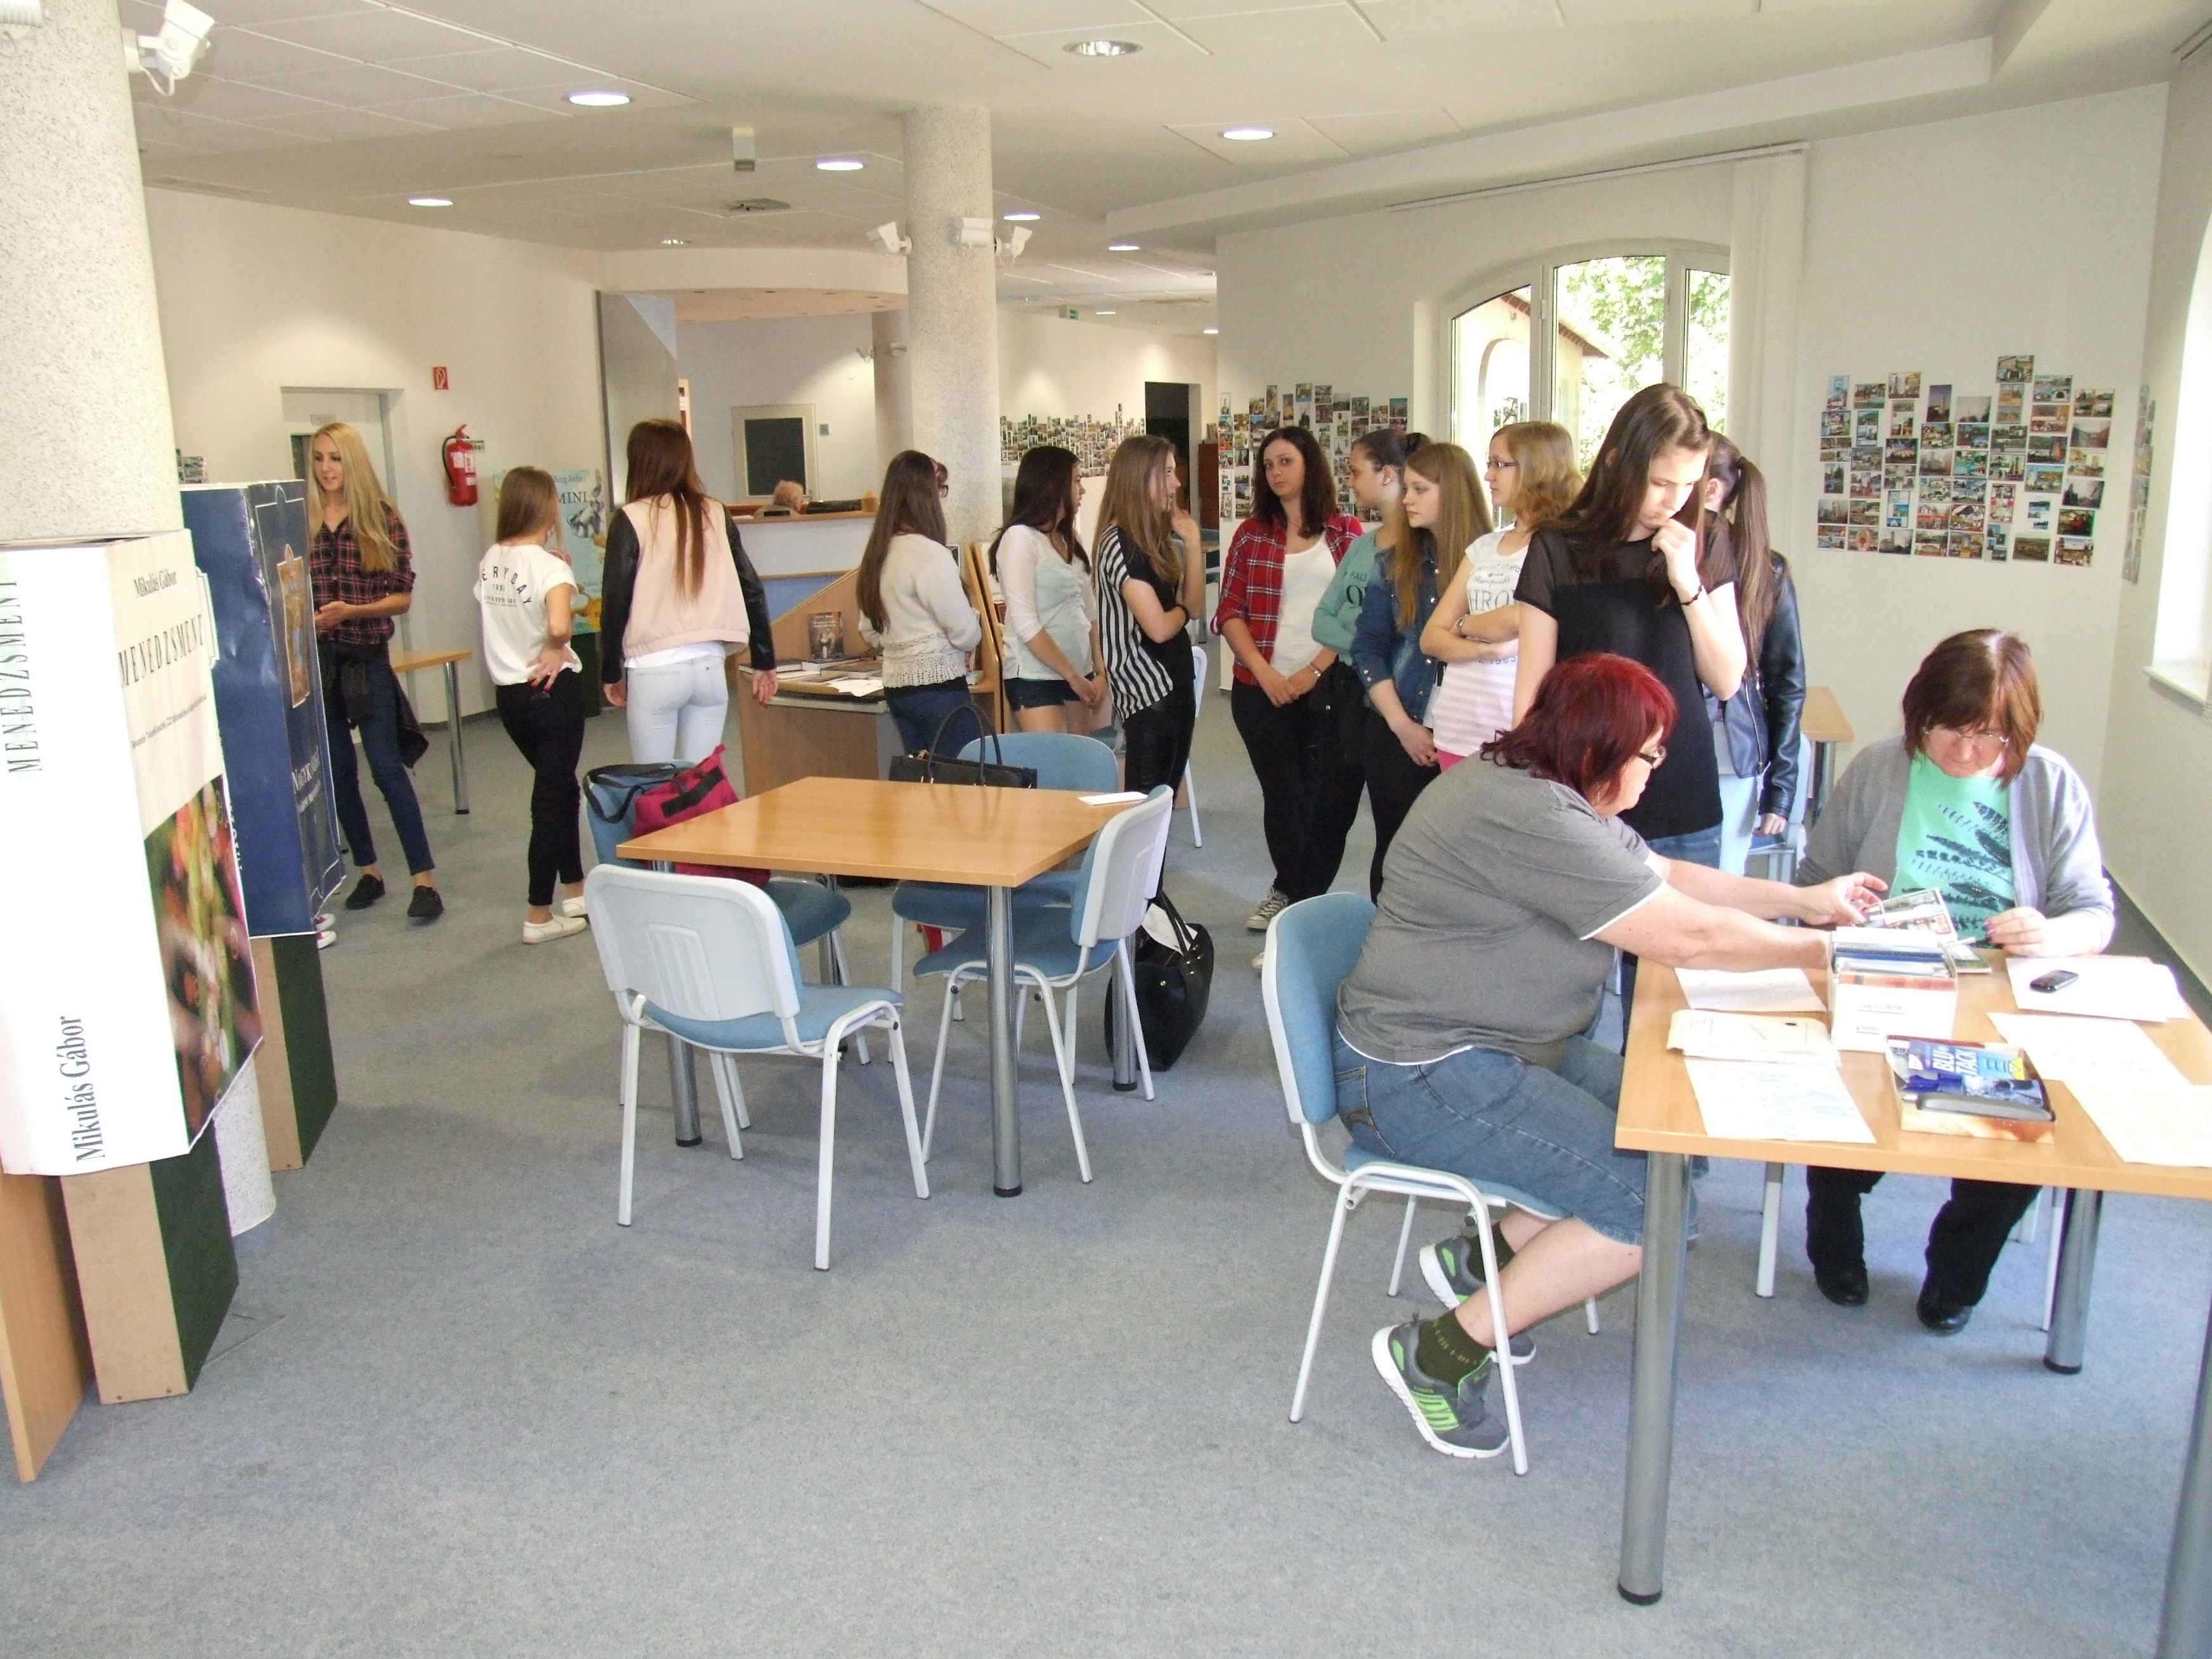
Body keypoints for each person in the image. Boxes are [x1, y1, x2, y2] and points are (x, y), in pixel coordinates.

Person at [1333, 653, 1880, 1457]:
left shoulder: (1545, 790)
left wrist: (1804, 905)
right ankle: (1438, 1354)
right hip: (1416, 1074)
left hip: (1494, 1047)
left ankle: (1484, 1258)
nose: (1654, 772)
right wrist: (1823, 955)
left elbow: (1668, 877)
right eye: (1647, 755)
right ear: (1597, 747)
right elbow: (1688, 937)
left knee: (1676, 1137)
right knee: (1648, 1209)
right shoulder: (1527, 814)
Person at [1797, 629, 2112, 1334]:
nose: (1964, 752)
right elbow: (1813, 883)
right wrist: (1840, 908)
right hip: (1887, 981)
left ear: (2017, 732)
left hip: (1998, 994)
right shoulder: (1880, 770)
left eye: (1988, 737)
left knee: (2023, 1127)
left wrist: (2051, 934)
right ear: (1918, 716)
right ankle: (1834, 1235)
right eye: (1947, 731)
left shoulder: (2049, 784)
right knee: (1844, 1103)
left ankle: (1955, 1273)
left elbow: (2093, 912)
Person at [1513, 383, 1745, 866]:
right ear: (1618, 463)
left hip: (1683, 794)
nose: (1675, 500)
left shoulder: (1707, 538)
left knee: (1685, 916)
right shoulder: (1558, 548)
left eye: (1689, 484)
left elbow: (1726, 680)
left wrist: (1688, 584)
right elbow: (1530, 701)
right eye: (1661, 483)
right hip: (1589, 795)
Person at [1214, 426, 1367, 944]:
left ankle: (1298, 897)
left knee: (1323, 802)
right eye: (1268, 465)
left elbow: (1357, 616)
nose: (1275, 473)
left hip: (1329, 686)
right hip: (1262, 688)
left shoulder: (1346, 533)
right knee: (1283, 795)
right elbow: (1229, 610)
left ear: (1309, 466)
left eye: (1286, 462)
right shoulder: (1251, 534)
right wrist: (1265, 673)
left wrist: (1313, 672)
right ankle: (1294, 897)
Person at [305, 420, 442, 923]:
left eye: (335, 458)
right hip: (322, 660)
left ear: (353, 462)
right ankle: (369, 870)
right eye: (319, 459)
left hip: (366, 657)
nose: (326, 469)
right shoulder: (305, 520)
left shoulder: (382, 517)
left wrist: (352, 612)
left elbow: (402, 597)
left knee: (385, 766)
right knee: (340, 770)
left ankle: (424, 881)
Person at [1350, 439, 1491, 898]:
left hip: (1472, 735)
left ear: (1453, 494)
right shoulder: (1393, 564)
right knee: (1396, 855)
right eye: (1406, 488)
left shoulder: (1496, 567)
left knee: (1464, 863)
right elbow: (1367, 648)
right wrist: (1403, 727)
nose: (1406, 499)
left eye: (1419, 489)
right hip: (1399, 728)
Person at [1421, 420, 1580, 769]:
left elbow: (1524, 618)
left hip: (1518, 729)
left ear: (1537, 467)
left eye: (1500, 464)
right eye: (1489, 463)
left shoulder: (1564, 547)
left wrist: (1463, 626)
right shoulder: (1485, 546)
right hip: (1458, 726)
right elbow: (1431, 638)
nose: (1488, 475)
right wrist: (1484, 645)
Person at [473, 467, 588, 945]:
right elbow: (559, 626)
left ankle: (576, 890)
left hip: (512, 699)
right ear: (547, 507)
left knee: (560, 789)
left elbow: (514, 605)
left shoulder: (491, 560)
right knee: (550, 799)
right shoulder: (550, 569)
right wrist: (557, 646)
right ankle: (538, 913)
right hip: (552, 693)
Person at [598, 419, 753, 764]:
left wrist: (610, 671)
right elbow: (751, 586)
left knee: (655, 783)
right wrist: (765, 660)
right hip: (710, 668)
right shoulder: (715, 512)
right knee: (701, 784)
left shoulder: (631, 518)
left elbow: (615, 602)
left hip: (654, 669)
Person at [1701, 437, 1805, 874]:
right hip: (1656, 756)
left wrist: (1780, 789)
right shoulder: (1654, 555)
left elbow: (1787, 684)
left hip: (1730, 759)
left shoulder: (1766, 571)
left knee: (1720, 888)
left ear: (1711, 490)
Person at [1094, 433, 1206, 798]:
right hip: (1149, 693)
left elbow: (1195, 606)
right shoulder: (1118, 542)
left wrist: (1192, 544)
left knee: (1163, 803)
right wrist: (1182, 612)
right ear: (1141, 478)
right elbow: (1158, 627)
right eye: (1168, 473)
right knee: (1145, 809)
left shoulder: (1151, 536)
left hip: (1176, 681)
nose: (1177, 483)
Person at [857, 449, 983, 755]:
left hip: (898, 690)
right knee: (960, 776)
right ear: (926, 497)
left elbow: (869, 629)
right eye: (940, 490)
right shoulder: (930, 555)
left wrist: (904, 640)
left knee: (921, 778)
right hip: (940, 690)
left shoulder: (877, 554)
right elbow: (966, 634)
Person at [992, 445, 1107, 735]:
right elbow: (1027, 624)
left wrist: (1100, 671)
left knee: (1078, 761)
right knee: (1054, 761)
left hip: (1079, 673)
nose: (1082, 490)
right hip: (1035, 677)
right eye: (1077, 481)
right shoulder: (1020, 539)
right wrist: (1073, 676)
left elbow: (1089, 611)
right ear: (1054, 485)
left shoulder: (1070, 538)